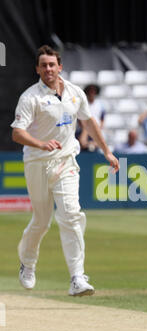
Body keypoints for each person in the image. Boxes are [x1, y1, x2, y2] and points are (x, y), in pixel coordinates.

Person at [11, 45, 119, 296]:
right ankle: (27, 263)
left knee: (71, 214)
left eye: (52, 64)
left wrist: (107, 151)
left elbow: (88, 121)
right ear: (37, 69)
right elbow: (17, 132)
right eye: (43, 65)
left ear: (60, 66)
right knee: (41, 221)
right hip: (37, 163)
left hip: (66, 160)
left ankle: (77, 277)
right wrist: (40, 143)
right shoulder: (30, 97)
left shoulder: (74, 92)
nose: (48, 69)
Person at [77, 84, 106, 152]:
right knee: (82, 142)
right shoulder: (83, 104)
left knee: (98, 143)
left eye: (93, 91)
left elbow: (102, 119)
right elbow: (80, 118)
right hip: (84, 128)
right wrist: (86, 129)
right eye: (90, 91)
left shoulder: (100, 105)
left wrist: (98, 129)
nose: (92, 93)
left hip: (96, 129)